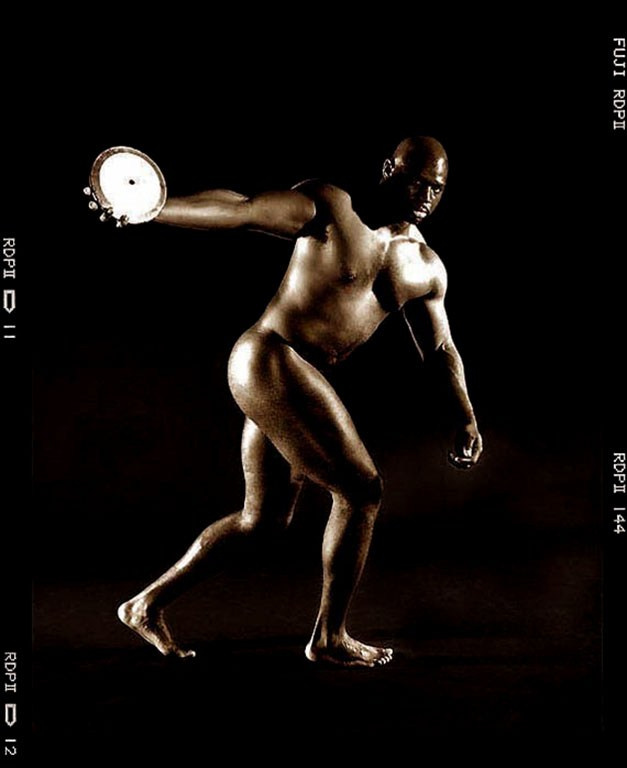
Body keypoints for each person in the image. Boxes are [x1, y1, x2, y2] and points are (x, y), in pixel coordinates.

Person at [108, 136, 483, 667]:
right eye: (418, 179)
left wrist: (464, 414)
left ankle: (145, 604)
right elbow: (242, 210)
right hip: (269, 357)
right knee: (361, 490)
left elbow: (441, 348)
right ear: (389, 170)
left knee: (260, 521)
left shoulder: (425, 267)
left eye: (437, 187)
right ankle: (329, 637)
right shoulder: (330, 207)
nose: (426, 193)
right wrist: (154, 208)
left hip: (292, 377)